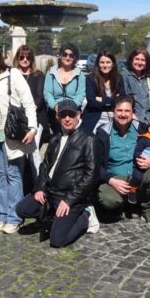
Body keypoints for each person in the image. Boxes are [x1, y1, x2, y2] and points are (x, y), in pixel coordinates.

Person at [16, 99, 99, 247]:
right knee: (21, 209)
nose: (67, 119)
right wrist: (40, 188)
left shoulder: (89, 139)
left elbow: (91, 175)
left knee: (57, 241)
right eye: (63, 115)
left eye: (71, 115)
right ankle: (53, 215)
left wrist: (69, 200)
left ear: (78, 115)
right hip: (50, 192)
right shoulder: (55, 138)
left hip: (70, 196)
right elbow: (45, 165)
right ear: (57, 117)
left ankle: (86, 215)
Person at [0, 41, 38, 234]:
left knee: (13, 174)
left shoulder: (13, 74)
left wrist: (33, 128)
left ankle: (15, 216)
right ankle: (3, 215)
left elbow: (28, 102)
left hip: (11, 134)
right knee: (1, 176)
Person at [95, 96, 150, 226]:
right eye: (119, 110)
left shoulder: (143, 129)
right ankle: (124, 205)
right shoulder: (103, 132)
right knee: (108, 199)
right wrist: (111, 180)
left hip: (139, 175)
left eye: (127, 111)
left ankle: (147, 208)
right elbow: (95, 164)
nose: (123, 114)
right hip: (115, 178)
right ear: (113, 111)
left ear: (132, 112)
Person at [14, 45, 48, 187]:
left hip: (36, 118)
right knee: (18, 153)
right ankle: (19, 184)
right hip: (18, 119)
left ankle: (39, 184)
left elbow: (40, 97)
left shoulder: (38, 75)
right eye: (22, 57)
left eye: (28, 57)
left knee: (33, 152)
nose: (25, 60)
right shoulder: (13, 74)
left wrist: (31, 107)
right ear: (17, 58)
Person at [44, 43, 86, 135]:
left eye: (71, 55)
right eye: (65, 54)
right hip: (56, 112)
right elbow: (48, 92)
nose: (68, 57)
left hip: (73, 112)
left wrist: (70, 107)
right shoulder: (51, 72)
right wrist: (55, 106)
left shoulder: (79, 74)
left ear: (75, 58)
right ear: (60, 55)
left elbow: (80, 94)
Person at [82, 51, 126, 133]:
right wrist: (113, 100)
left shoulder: (119, 78)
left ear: (113, 64)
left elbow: (122, 100)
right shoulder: (91, 79)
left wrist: (102, 100)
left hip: (115, 117)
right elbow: (92, 102)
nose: (105, 65)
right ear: (98, 64)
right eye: (102, 62)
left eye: (108, 62)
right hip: (95, 118)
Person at [120, 47, 150, 125]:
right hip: (131, 119)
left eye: (143, 60)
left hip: (149, 119)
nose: (139, 62)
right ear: (131, 60)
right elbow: (123, 99)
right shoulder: (124, 76)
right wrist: (134, 118)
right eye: (137, 59)